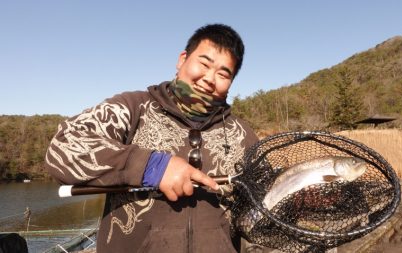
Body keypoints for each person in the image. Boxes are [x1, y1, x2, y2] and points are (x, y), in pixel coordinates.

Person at [45, 23, 259, 253]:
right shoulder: (133, 107)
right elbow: (62, 148)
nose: (209, 78)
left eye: (223, 74)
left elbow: (257, 216)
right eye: (204, 64)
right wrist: (152, 167)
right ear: (182, 59)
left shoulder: (243, 134)